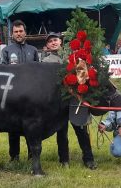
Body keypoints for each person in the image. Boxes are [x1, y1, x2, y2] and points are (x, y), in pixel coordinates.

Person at [41, 32, 97, 169]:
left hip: (75, 100)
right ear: (47, 45)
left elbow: (83, 76)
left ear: (61, 42)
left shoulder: (73, 56)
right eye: (50, 41)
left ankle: (88, 159)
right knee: (61, 132)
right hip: (58, 102)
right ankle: (64, 160)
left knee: (81, 130)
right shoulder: (44, 62)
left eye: (56, 40)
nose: (53, 43)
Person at [1, 20, 39, 161]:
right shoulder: (6, 51)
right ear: (12, 34)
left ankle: (31, 155)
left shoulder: (33, 50)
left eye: (21, 31)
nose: (18, 34)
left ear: (25, 32)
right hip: (13, 96)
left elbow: (37, 73)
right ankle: (14, 156)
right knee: (13, 127)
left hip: (30, 96)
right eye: (16, 32)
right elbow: (2, 72)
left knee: (31, 126)